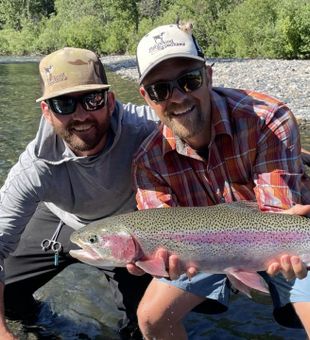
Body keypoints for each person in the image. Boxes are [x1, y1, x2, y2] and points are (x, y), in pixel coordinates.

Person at [130, 23, 310, 339]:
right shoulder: (147, 162)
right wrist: (155, 262)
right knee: (150, 318)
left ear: (209, 76)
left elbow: (275, 217)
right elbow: (155, 230)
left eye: (189, 81)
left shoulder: (267, 118)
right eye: (161, 90)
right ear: (147, 96)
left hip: (282, 241)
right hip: (199, 252)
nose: (178, 98)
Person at [0, 47, 159, 340]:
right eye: (63, 104)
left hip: (127, 229)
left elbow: (197, 118)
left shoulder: (147, 128)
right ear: (46, 112)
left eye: (92, 99)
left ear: (110, 101)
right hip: (62, 221)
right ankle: (44, 325)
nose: (81, 115)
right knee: (5, 295)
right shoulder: (35, 167)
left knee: (146, 322)